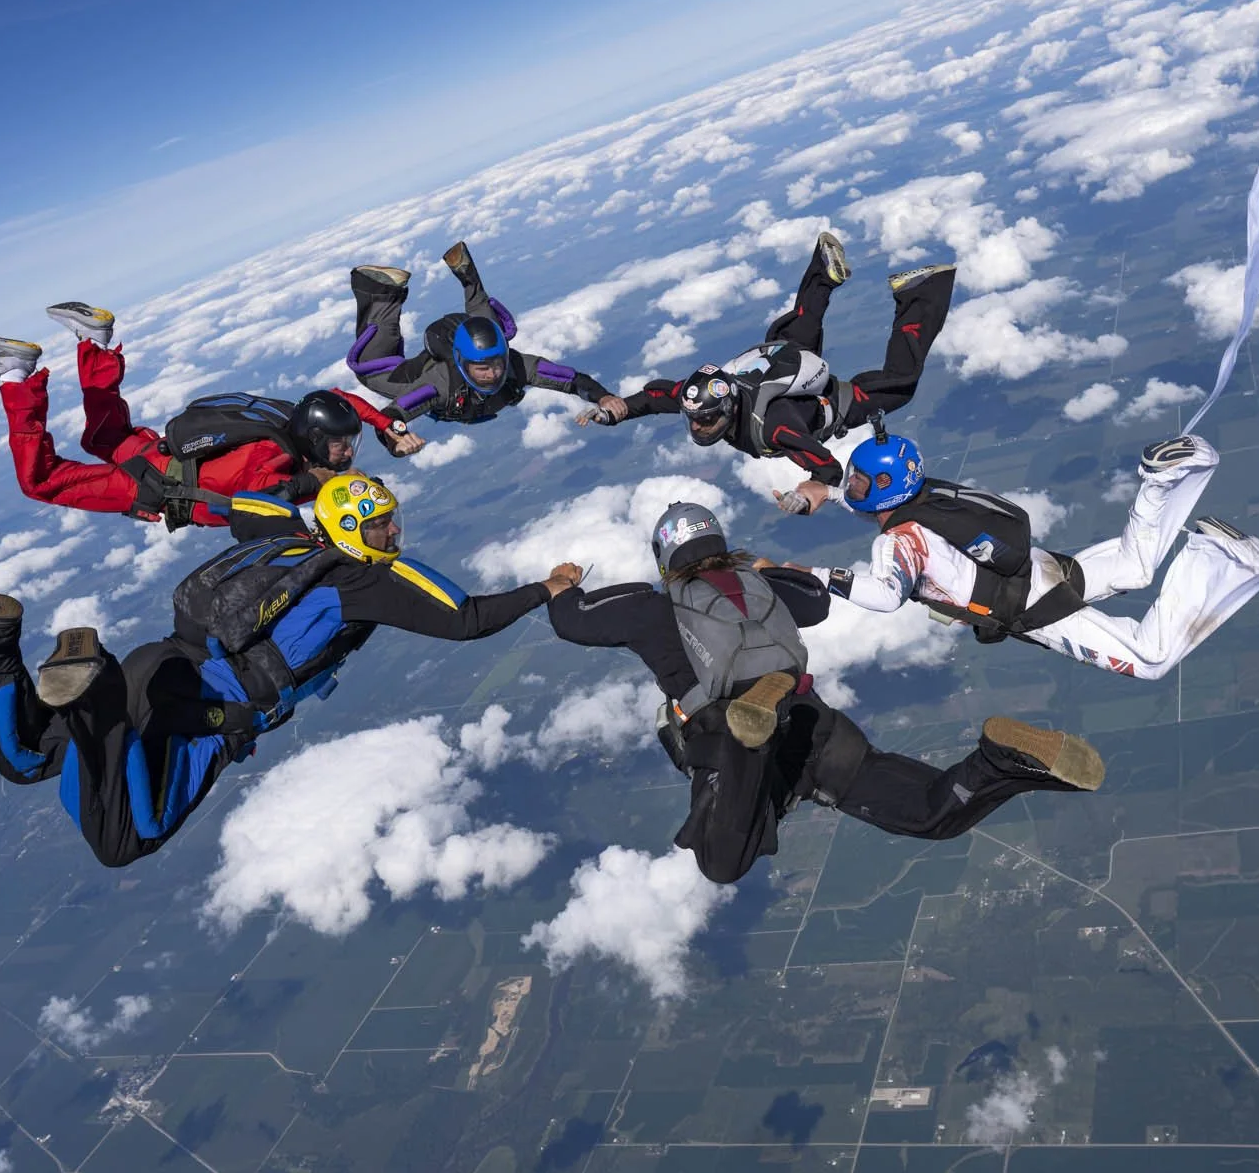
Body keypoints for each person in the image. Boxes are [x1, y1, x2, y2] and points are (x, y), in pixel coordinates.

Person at [0, 475, 581, 867]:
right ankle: (96, 698)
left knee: (32, 754)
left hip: (158, 662)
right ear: (347, 533)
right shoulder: (363, 580)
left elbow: (241, 503)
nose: (391, 536)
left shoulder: (288, 533)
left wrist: (184, 491)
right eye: (379, 528)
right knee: (128, 835)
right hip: (202, 707)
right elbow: (464, 617)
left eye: (390, 522)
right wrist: (543, 590)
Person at [545, 502, 1104, 885]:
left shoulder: (651, 606)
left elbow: (573, 621)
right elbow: (816, 600)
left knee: (721, 861)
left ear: (665, 557)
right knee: (932, 813)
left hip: (728, 737)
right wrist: (766, 570)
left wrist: (565, 584)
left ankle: (750, 732)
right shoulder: (765, 585)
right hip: (816, 725)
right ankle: (998, 761)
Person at [818, 428, 1259, 682]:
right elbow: (879, 510)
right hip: (1038, 566)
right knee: (1135, 567)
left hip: (1035, 608)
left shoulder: (897, 542)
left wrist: (815, 575)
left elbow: (883, 596)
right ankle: (1165, 479)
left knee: (1150, 660)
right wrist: (830, 494)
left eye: (858, 480)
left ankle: (1218, 555)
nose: (850, 485)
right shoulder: (925, 496)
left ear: (884, 487)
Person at [0, 300, 423, 530]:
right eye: (339, 444)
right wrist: (319, 492)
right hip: (148, 484)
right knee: (41, 482)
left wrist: (387, 427)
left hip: (154, 451)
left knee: (103, 434)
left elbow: (340, 397)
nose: (344, 450)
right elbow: (252, 507)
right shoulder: (272, 462)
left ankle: (96, 341)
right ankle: (15, 376)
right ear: (315, 439)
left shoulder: (291, 416)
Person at [580, 234, 954, 515]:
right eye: (694, 420)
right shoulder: (702, 394)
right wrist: (617, 410)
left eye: (707, 421)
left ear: (727, 410)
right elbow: (657, 397)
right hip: (778, 358)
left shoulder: (774, 427)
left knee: (901, 383)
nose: (698, 428)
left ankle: (922, 291)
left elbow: (826, 464)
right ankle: (823, 271)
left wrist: (809, 492)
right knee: (803, 324)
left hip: (832, 401)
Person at [347, 242, 615, 425]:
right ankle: (379, 292)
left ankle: (466, 272)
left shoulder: (515, 364)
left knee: (491, 331)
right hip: (436, 350)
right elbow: (395, 413)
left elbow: (572, 379)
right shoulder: (439, 384)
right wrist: (397, 437)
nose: (493, 373)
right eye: (482, 369)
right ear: (464, 364)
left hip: (470, 337)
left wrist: (603, 397)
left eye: (496, 365)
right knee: (370, 370)